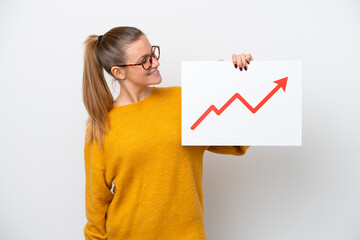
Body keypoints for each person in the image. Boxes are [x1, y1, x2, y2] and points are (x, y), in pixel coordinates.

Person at [82, 26, 252, 240]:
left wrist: (237, 81)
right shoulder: (101, 126)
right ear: (118, 72)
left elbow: (237, 145)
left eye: (153, 53)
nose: (156, 62)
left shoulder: (185, 101)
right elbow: (96, 204)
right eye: (144, 60)